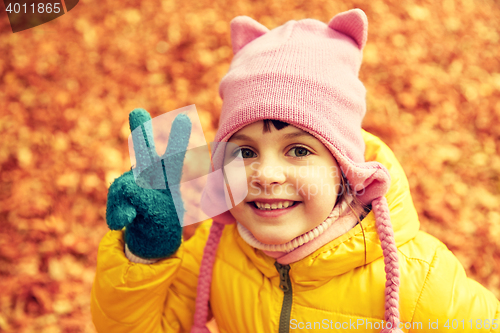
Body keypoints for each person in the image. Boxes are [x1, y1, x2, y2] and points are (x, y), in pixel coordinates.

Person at [91, 8, 500, 333]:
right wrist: (145, 252)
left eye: (299, 149)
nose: (265, 174)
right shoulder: (216, 252)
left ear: (344, 169)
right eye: (246, 151)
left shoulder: (420, 284)